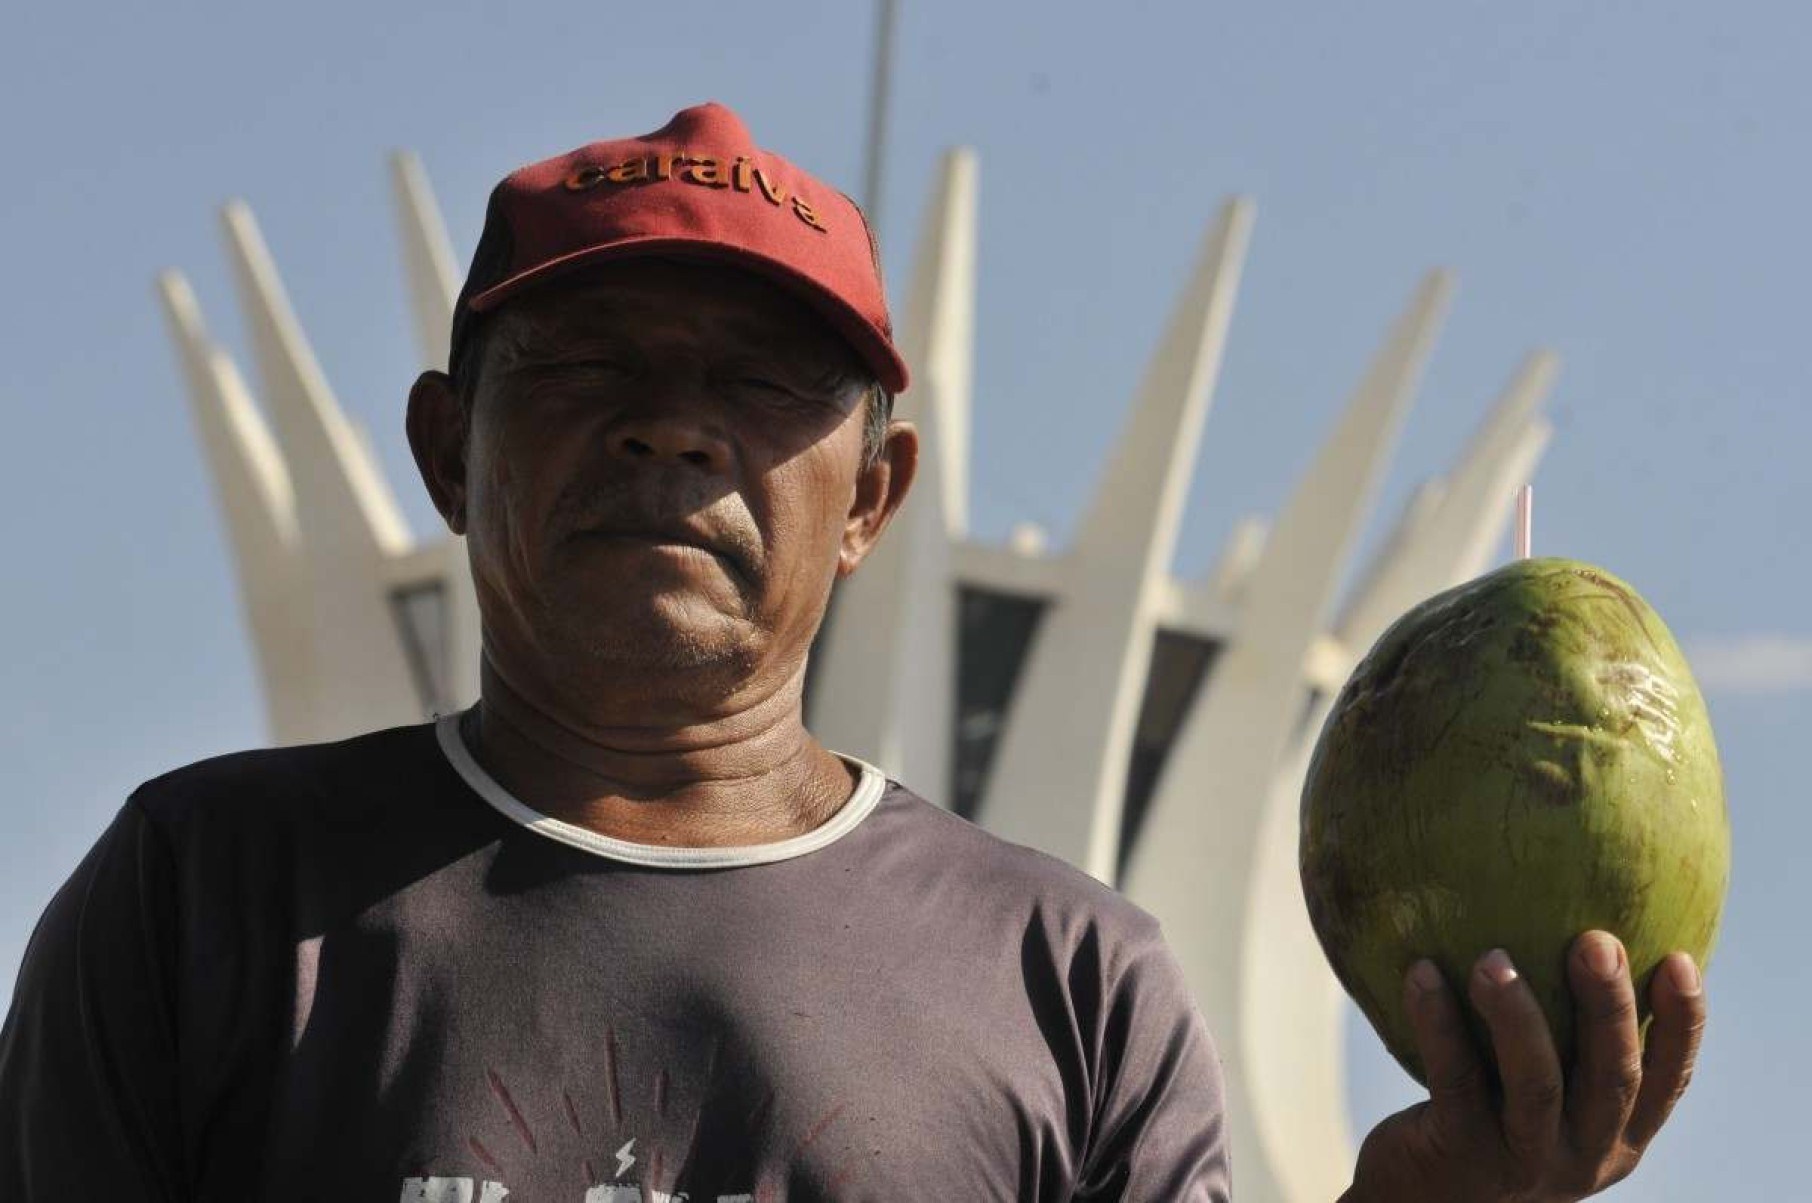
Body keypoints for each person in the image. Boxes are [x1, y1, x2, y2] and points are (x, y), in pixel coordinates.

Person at [0, 102, 1705, 1202]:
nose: (675, 430)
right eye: (593, 369)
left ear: (874, 493)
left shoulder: (1070, 983)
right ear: (450, 449)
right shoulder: (205, 899)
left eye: (761, 387)